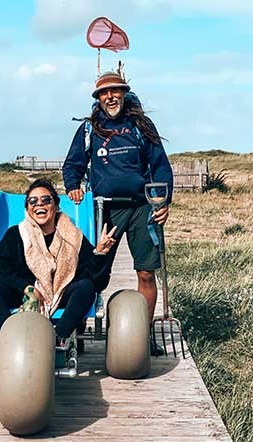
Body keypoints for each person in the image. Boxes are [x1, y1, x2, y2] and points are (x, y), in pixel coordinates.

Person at [61, 71, 174, 353]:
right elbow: (72, 164)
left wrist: (163, 202)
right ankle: (76, 330)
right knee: (90, 273)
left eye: (116, 91)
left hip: (141, 209)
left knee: (147, 274)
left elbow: (160, 166)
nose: (110, 97)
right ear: (98, 98)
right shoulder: (89, 129)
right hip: (104, 210)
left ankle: (142, 335)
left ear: (124, 93)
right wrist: (73, 185)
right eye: (104, 93)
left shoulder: (140, 126)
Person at [0, 178, 119, 340]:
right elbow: (2, 273)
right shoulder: (15, 235)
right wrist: (28, 289)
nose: (39, 204)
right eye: (33, 201)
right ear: (27, 209)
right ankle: (11, 336)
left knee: (86, 288)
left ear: (56, 206)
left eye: (46, 200)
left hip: (61, 294)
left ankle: (57, 338)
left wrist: (100, 254)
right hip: (24, 294)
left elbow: (97, 282)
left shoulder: (73, 237)